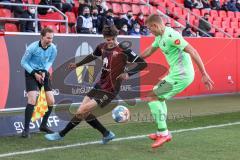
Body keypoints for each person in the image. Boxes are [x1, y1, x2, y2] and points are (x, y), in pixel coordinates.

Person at [44, 25, 147, 144]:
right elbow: (92, 56)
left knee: (81, 110)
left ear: (115, 37)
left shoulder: (124, 50)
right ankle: (106, 134)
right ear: (104, 38)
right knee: (83, 112)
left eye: (112, 39)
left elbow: (142, 63)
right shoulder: (101, 47)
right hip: (100, 84)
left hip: (110, 89)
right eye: (108, 40)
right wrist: (78, 64)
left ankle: (61, 134)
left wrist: (128, 74)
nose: (111, 42)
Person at [141, 14, 214, 148]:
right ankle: (161, 131)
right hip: (174, 74)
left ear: (155, 26)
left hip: (182, 75)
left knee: (152, 97)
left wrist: (203, 73)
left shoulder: (171, 36)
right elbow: (150, 50)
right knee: (157, 97)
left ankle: (164, 133)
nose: (149, 31)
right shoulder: (159, 37)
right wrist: (136, 59)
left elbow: (193, 51)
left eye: (149, 29)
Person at [20, 27, 57, 138]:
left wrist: (45, 71)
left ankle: (43, 125)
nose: (50, 40)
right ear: (42, 37)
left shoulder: (53, 48)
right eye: (48, 38)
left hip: (44, 73)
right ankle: (26, 130)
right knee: (32, 99)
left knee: (51, 101)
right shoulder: (32, 47)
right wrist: (34, 74)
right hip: (31, 73)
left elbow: (50, 61)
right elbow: (23, 62)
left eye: (51, 38)